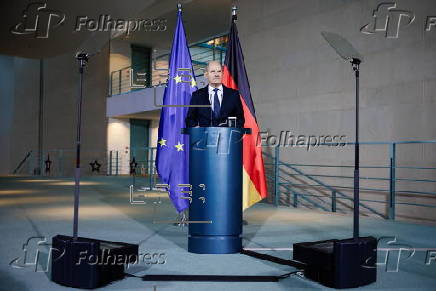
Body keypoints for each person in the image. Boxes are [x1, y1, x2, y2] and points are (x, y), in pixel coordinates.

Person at [185, 61, 245, 128]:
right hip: (204, 137)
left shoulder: (233, 94)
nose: (216, 74)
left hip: (228, 137)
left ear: (222, 74)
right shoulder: (197, 95)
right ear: (206, 75)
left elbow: (240, 119)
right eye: (213, 71)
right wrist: (196, 128)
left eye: (219, 71)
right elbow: (190, 119)